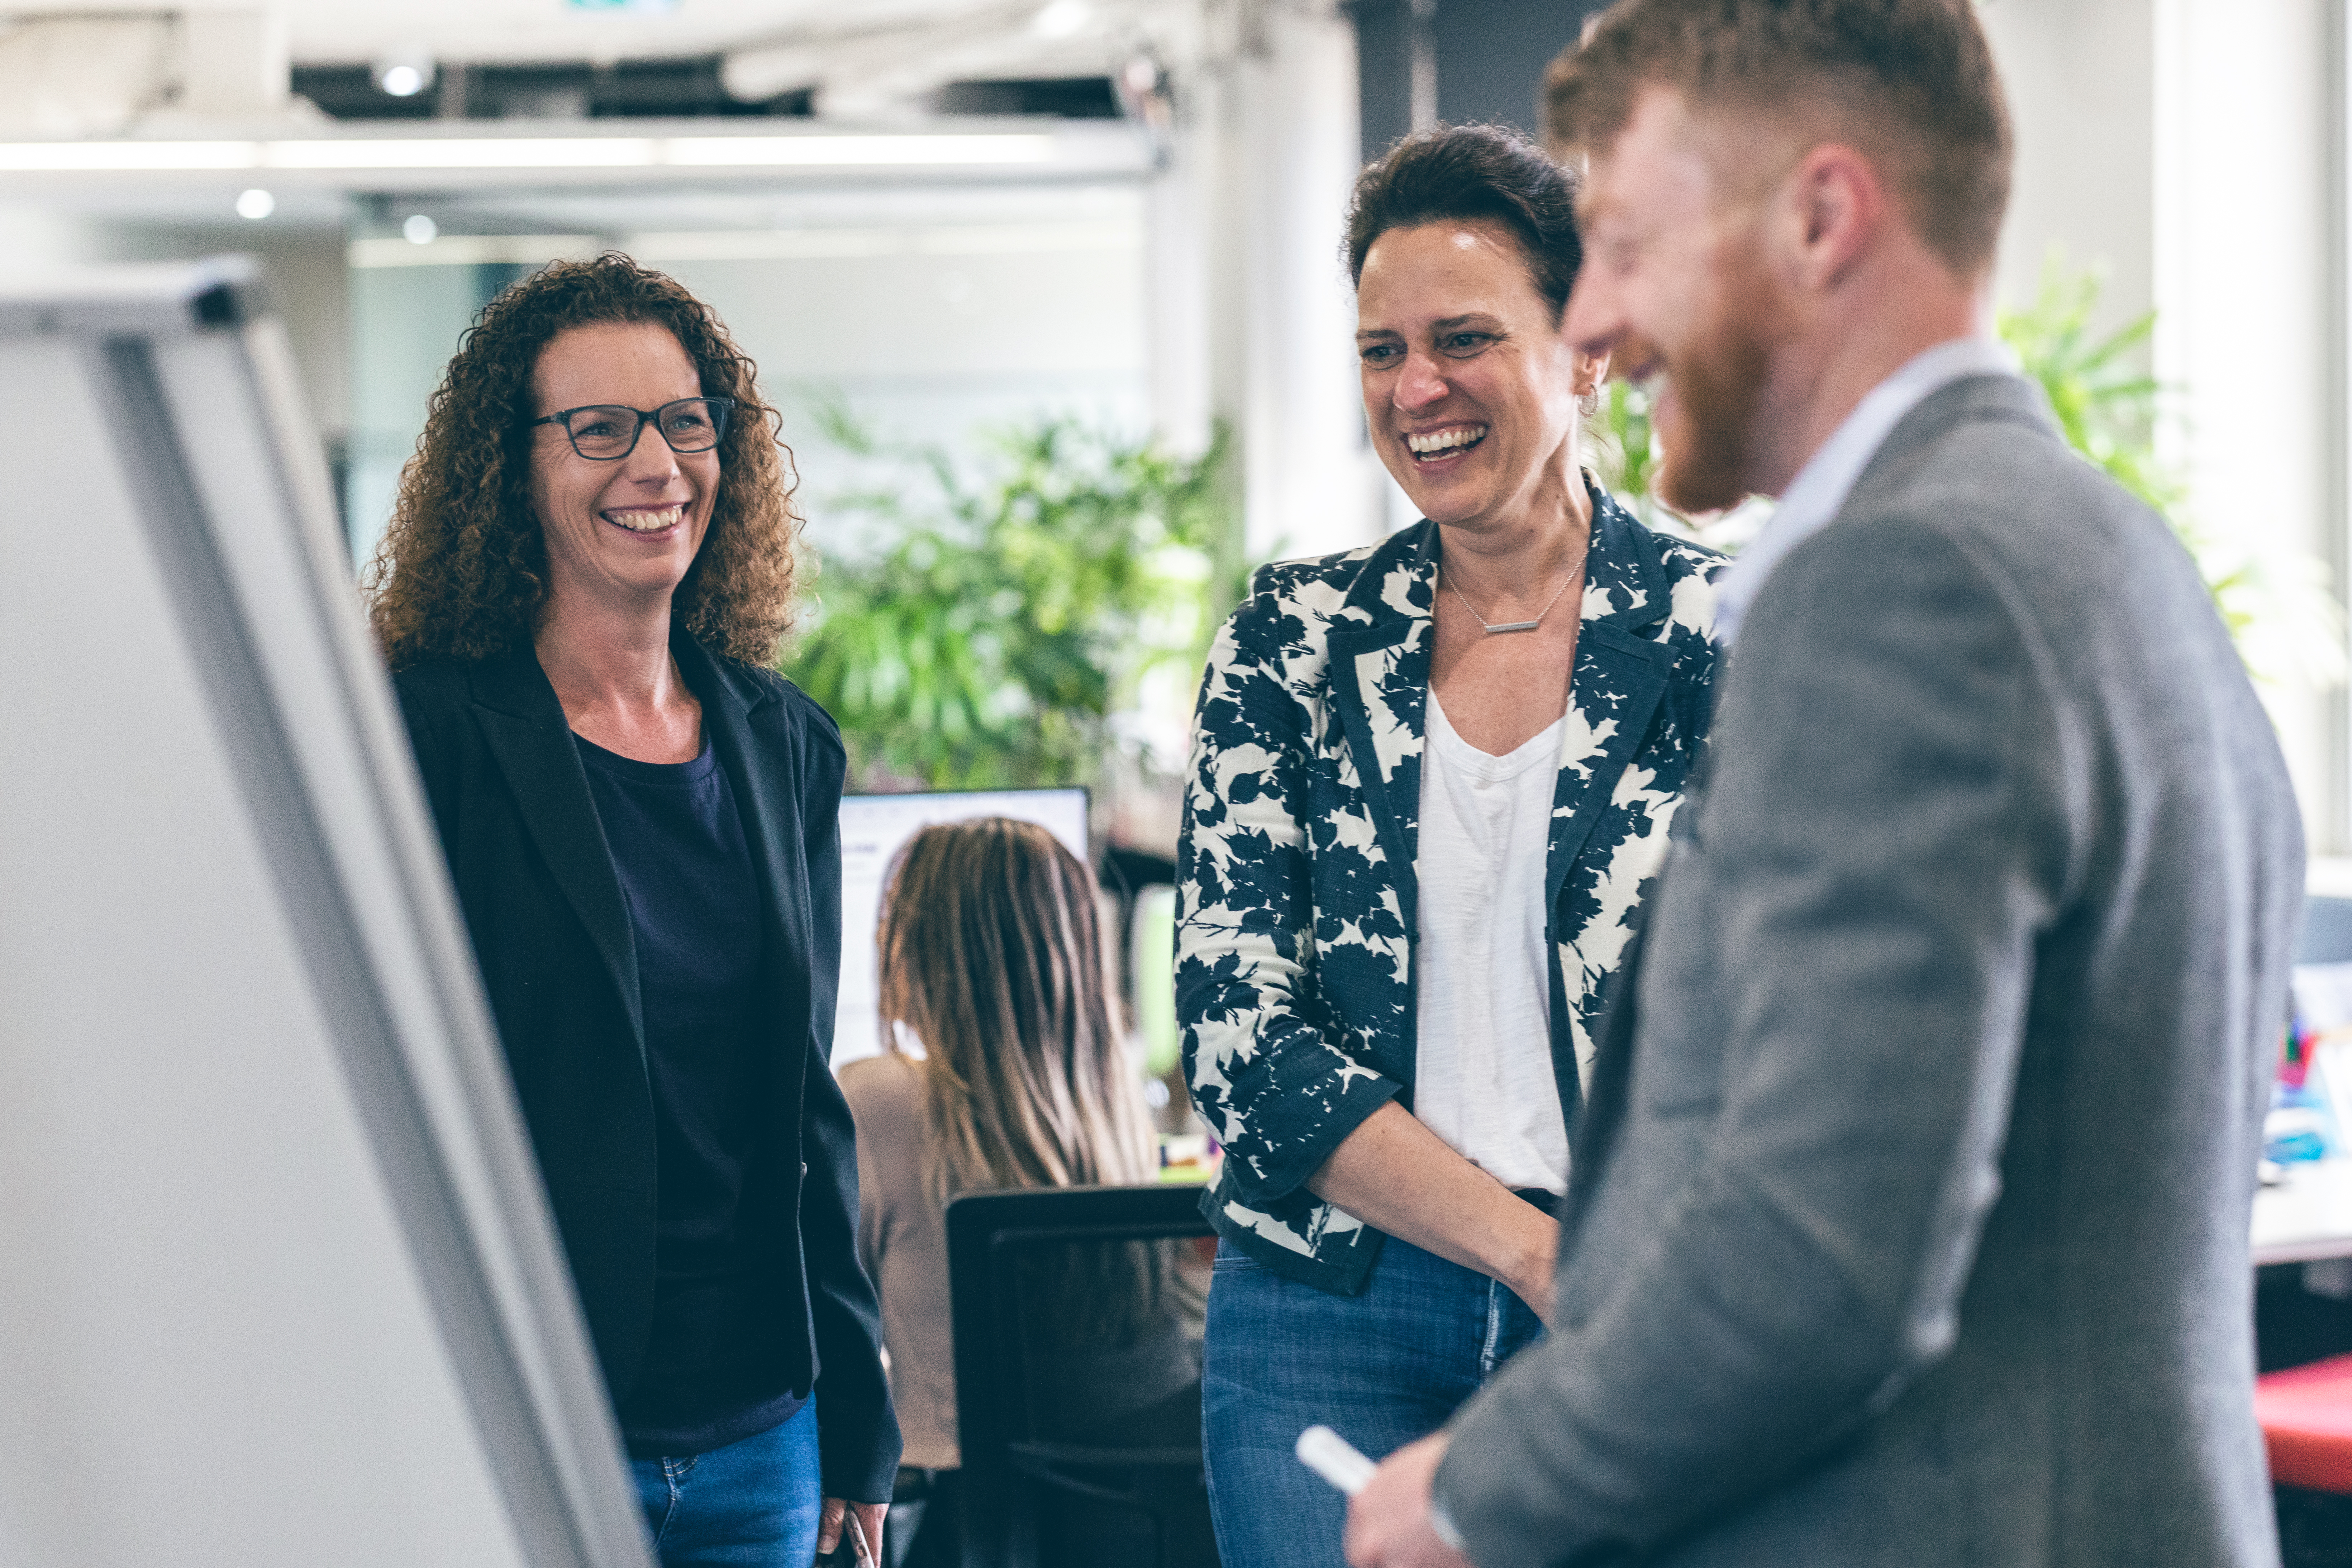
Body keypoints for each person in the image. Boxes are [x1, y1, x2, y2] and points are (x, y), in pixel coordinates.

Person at [1343, 4, 2303, 1567]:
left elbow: (1818, 1247)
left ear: (1816, 216)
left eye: (1633, 243)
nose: (1592, 323)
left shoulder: (1898, 584)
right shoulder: (2099, 545)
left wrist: (1471, 1486)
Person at [1177, 122, 1724, 1568]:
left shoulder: (1727, 636)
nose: (1415, 386)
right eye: (1379, 348)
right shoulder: (1287, 643)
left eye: (1462, 337)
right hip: (1330, 1311)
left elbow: (1789, 1019)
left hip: (1640, 1306)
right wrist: (1527, 1247)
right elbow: (1239, 1033)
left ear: (1585, 345)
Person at [370, 254, 899, 1567]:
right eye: (597, 430)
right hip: (529, 1412)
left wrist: (856, 1408)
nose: (653, 465)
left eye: (684, 421)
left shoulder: (783, 743)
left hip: (760, 1430)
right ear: (515, 468)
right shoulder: (424, 732)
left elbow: (804, 1102)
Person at [842, 816, 1187, 1567]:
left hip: (964, 1527)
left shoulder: (878, 1101)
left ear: (923, 947)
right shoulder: (1114, 1107)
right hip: (1130, 1531)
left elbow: (818, 1328)